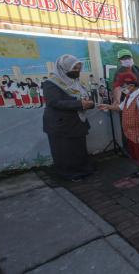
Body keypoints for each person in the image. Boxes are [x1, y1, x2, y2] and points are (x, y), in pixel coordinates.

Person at [42, 54, 95, 182]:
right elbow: (54, 102)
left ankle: (83, 169)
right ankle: (69, 174)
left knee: (78, 148)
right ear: (64, 68)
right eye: (74, 68)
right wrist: (80, 104)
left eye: (78, 68)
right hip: (60, 124)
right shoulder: (51, 83)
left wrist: (89, 103)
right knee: (64, 151)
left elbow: (83, 96)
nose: (77, 71)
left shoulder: (75, 82)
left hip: (77, 122)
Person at [99, 72, 139, 184]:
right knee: (137, 153)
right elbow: (120, 108)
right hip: (130, 133)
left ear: (131, 85)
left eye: (123, 86)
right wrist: (108, 106)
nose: (122, 89)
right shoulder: (128, 97)